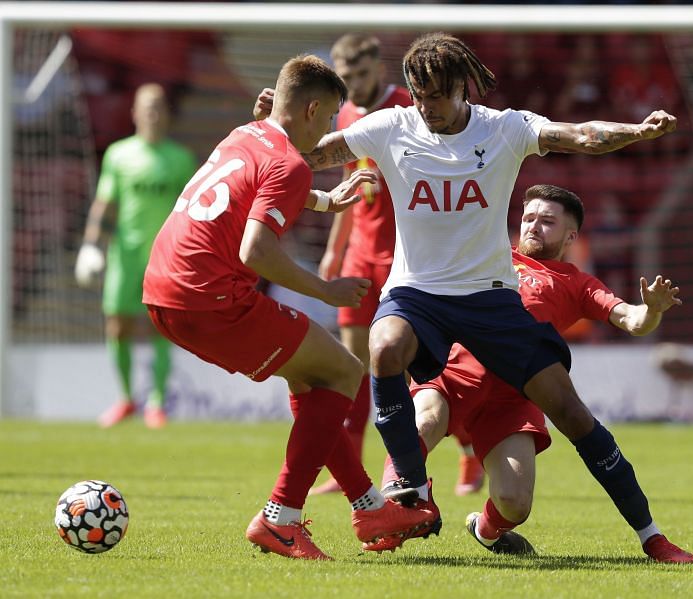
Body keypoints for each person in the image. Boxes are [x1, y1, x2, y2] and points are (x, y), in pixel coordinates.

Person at [252, 32, 685, 558]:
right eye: (417, 94)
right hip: (416, 291)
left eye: (435, 94)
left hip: (489, 298)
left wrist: (636, 131)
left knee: (571, 413)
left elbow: (583, 135)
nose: (425, 106)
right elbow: (312, 154)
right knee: (383, 345)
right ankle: (412, 487)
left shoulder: (504, 128)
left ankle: (651, 536)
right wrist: (273, 129)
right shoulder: (393, 126)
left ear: (462, 87)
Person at [143, 55, 434, 561]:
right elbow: (255, 251)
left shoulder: (245, 133)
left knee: (314, 380)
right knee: (344, 370)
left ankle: (369, 506)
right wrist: (326, 291)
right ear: (313, 109)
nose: (328, 133)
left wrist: (326, 200)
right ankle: (281, 518)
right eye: (327, 121)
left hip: (164, 290)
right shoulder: (291, 162)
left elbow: (253, 188)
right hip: (209, 297)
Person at [377, 184, 693, 563]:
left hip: (514, 398)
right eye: (529, 218)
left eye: (547, 221)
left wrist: (652, 310)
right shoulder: (486, 257)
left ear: (571, 236)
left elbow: (632, 319)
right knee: (424, 420)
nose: (533, 227)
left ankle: (486, 530)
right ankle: (390, 513)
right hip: (452, 375)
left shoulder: (577, 283)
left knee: (515, 503)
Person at [309, 33, 419, 495]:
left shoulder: (407, 109)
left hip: (403, 254)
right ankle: (349, 470)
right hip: (360, 252)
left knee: (409, 371)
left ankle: (450, 457)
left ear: (377, 67)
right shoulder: (348, 113)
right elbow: (349, 187)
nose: (352, 84)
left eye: (359, 74)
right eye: (345, 75)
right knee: (353, 365)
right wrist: (335, 250)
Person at [75, 83, 197, 429]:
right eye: (147, 107)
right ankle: (127, 399)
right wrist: (90, 246)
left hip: (164, 258)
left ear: (168, 114)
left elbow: (191, 211)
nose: (153, 113)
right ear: (134, 113)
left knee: (161, 326)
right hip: (125, 256)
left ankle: (157, 402)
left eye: (159, 107)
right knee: (117, 324)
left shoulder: (181, 158)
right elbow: (105, 204)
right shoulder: (119, 155)